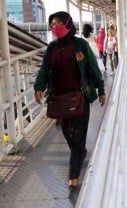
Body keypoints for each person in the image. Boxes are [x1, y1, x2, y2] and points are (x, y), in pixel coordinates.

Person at [33, 11, 106, 194]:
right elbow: (44, 70)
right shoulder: (51, 48)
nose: (54, 27)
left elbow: (93, 68)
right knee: (69, 136)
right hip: (59, 101)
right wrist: (39, 87)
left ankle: (73, 177)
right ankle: (80, 153)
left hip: (80, 98)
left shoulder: (80, 45)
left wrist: (101, 90)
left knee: (78, 136)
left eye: (58, 23)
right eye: (52, 25)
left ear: (68, 24)